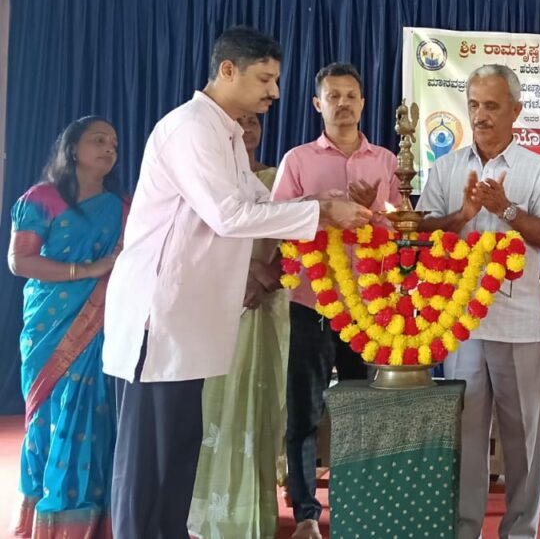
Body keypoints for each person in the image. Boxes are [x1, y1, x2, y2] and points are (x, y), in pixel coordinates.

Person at [101, 26, 371, 538]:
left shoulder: (224, 133)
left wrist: (322, 205)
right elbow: (229, 215)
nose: (274, 91)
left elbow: (261, 203)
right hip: (158, 318)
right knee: (147, 464)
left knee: (179, 451)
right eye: (265, 79)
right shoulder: (191, 129)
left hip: (189, 319)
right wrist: (320, 212)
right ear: (228, 70)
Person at [416, 63, 540, 539]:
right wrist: (462, 214)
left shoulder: (537, 169)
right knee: (465, 438)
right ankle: (465, 530)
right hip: (461, 326)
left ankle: (520, 531)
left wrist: (506, 209)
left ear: (515, 111)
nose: (480, 115)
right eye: (474, 104)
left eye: (492, 106)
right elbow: (421, 233)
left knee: (523, 441)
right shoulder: (446, 167)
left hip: (518, 325)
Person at [270, 61, 402, 539]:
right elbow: (275, 220)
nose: (343, 103)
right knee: (304, 413)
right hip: (311, 304)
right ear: (317, 104)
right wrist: (320, 210)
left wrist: (375, 210)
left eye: (351, 95)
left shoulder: (385, 161)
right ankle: (306, 514)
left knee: (361, 411)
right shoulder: (298, 160)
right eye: (334, 96)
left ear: (363, 103)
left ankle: (354, 508)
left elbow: (399, 227)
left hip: (368, 306)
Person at [8, 116, 125, 539]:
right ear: (73, 148)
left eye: (114, 143)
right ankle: (51, 519)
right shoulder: (41, 198)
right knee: (48, 417)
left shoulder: (122, 208)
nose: (109, 148)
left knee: (93, 415)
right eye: (99, 140)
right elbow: (20, 261)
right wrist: (88, 269)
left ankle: (89, 519)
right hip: (49, 323)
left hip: (102, 324)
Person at [188, 113, 291, 538]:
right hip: (217, 302)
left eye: (254, 123)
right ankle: (211, 513)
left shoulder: (276, 178)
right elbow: (195, 237)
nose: (248, 129)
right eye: (239, 122)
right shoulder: (208, 180)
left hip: (264, 304)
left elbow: (296, 235)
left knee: (259, 398)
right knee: (215, 403)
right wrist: (246, 273)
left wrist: (267, 275)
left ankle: (253, 512)